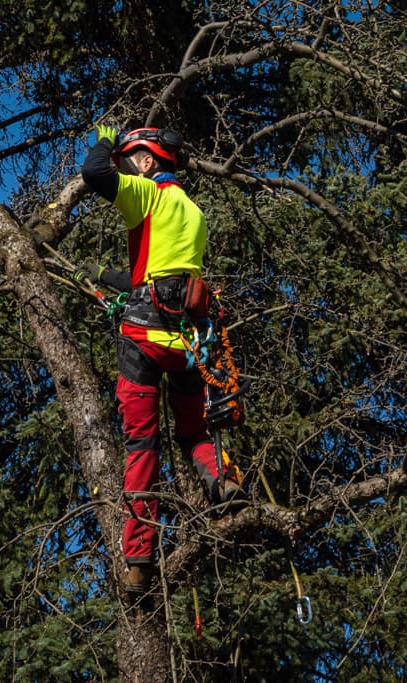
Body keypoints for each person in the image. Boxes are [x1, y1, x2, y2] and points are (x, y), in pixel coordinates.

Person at [80, 124, 245, 595]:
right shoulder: (191, 210)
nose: (123, 169)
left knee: (142, 446)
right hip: (188, 341)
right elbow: (150, 273)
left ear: (148, 162)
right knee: (195, 431)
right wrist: (97, 274)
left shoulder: (146, 195)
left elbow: (93, 172)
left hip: (144, 336)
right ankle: (224, 483)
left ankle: (138, 559)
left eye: (129, 160)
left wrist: (106, 140)